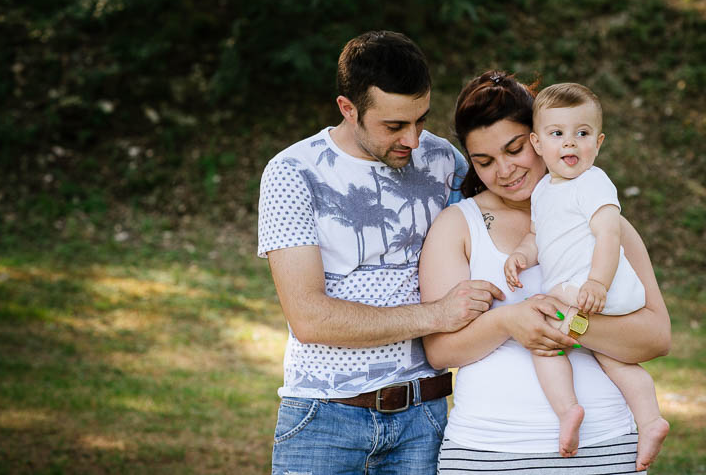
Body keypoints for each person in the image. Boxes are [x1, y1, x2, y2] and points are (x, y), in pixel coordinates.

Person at [257, 31, 502, 474]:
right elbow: (310, 317)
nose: (413, 139)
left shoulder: (444, 160)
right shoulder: (292, 173)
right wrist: (436, 315)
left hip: (425, 418)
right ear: (348, 109)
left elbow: (504, 213)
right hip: (324, 418)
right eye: (393, 126)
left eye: (421, 119)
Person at [419, 71, 671, 474]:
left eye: (514, 149)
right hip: (489, 450)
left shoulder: (600, 217)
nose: (504, 170)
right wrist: (508, 322)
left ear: (539, 138)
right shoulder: (458, 224)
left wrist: (572, 325)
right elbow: (440, 351)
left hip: (604, 446)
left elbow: (657, 338)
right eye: (484, 161)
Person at [503, 82, 669, 466]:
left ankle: (567, 410)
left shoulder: (593, 182)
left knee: (542, 334)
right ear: (537, 143)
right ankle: (650, 420)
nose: (570, 144)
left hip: (591, 289)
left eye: (582, 134)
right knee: (616, 361)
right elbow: (536, 235)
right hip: (585, 292)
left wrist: (597, 282)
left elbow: (609, 234)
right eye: (557, 134)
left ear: (599, 142)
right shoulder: (544, 189)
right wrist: (521, 255)